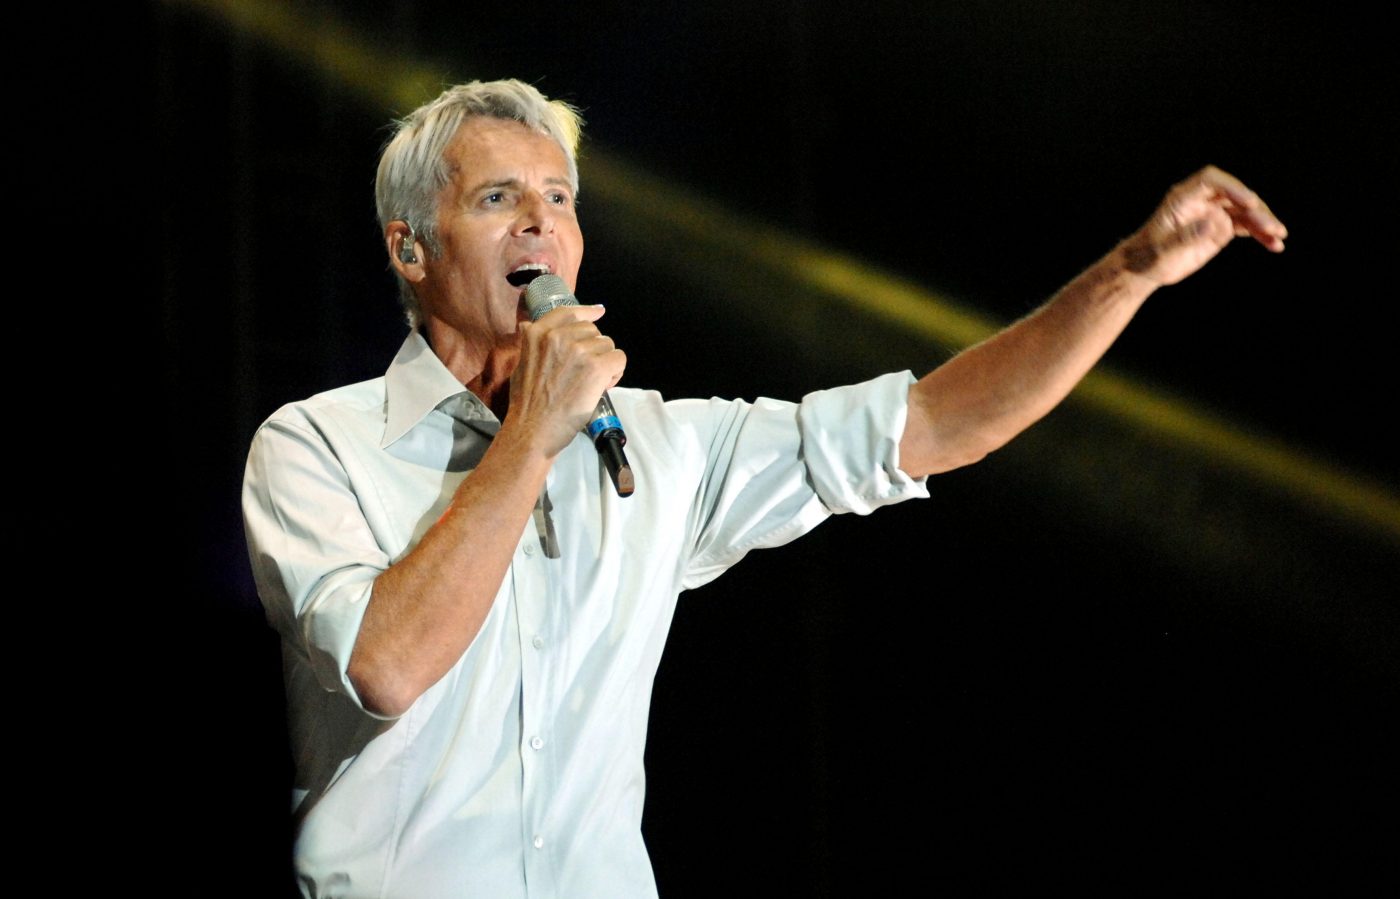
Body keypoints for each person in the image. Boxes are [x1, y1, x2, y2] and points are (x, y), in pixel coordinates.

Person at [241, 78, 1286, 898]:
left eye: (560, 198)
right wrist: (531, 434)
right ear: (409, 247)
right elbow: (387, 665)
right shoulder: (314, 447)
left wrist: (1132, 269)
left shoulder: (660, 444)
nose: (541, 225)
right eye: (497, 197)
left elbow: (930, 425)